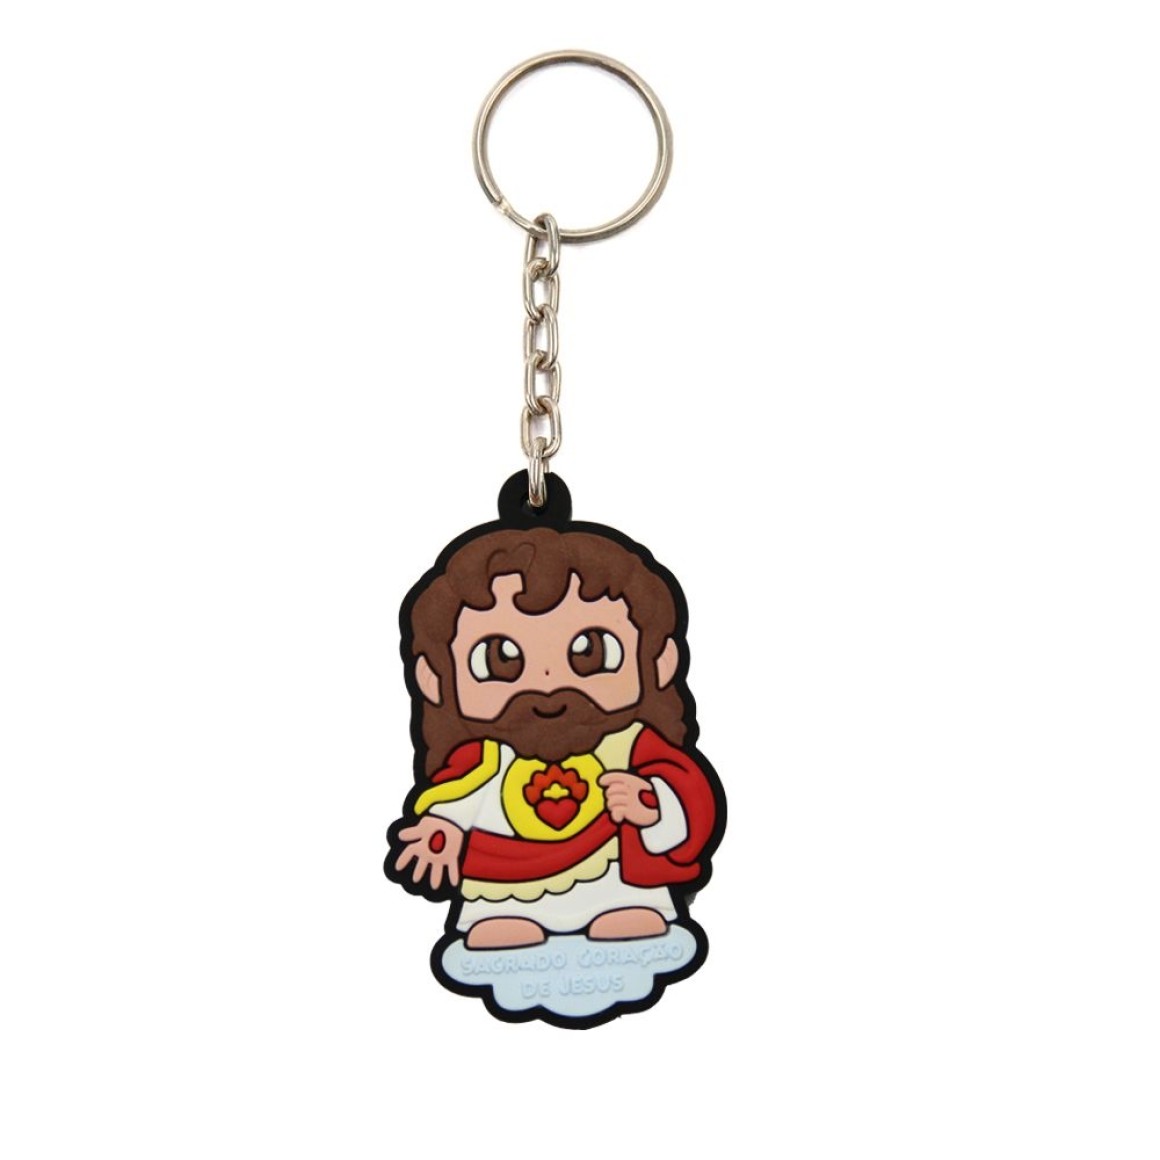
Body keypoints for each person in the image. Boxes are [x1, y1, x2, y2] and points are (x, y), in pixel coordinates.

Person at [386, 526, 722, 950]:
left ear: (660, 659)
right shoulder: (486, 757)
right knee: (501, 918)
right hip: (504, 883)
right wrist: (443, 829)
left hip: (616, 878)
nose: (547, 684)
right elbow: (458, 795)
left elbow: (688, 795)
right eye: (501, 659)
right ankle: (503, 918)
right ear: (433, 678)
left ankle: (624, 907)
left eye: (590, 652)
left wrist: (652, 806)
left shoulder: (632, 746)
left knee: (627, 908)